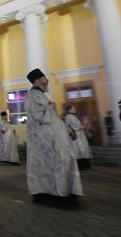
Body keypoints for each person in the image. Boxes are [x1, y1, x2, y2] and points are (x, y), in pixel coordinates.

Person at [25, 68, 83, 204]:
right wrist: (50, 107)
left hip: (56, 138)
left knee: (64, 162)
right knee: (52, 165)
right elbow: (39, 116)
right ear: (37, 80)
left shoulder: (43, 95)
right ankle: (54, 195)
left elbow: (55, 117)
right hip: (45, 140)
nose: (47, 81)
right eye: (44, 78)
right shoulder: (33, 96)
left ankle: (65, 192)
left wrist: (68, 130)